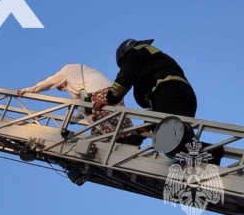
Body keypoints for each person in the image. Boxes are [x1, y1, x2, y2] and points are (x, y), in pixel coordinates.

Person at [93, 39, 223, 164]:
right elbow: (154, 107)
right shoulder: (152, 63)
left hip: (168, 90)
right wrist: (146, 126)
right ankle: (207, 156)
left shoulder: (137, 52)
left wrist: (110, 99)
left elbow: (125, 76)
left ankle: (212, 153)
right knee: (177, 136)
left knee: (172, 137)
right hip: (181, 95)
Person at [18, 64, 141, 145]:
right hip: (111, 92)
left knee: (101, 125)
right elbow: (83, 107)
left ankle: (116, 144)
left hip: (99, 93)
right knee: (118, 119)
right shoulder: (78, 81)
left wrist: (27, 90)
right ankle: (130, 139)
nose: (63, 89)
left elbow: (49, 82)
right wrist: (75, 119)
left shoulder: (66, 71)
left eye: (61, 87)